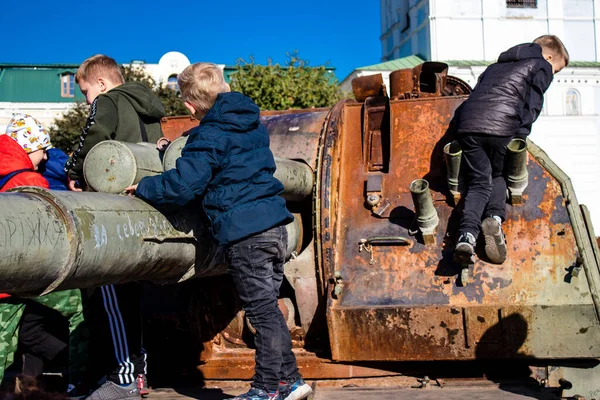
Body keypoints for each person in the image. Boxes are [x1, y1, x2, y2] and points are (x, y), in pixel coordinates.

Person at [126, 63, 312, 400]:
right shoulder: (250, 123)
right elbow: (227, 153)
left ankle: (269, 388)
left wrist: (144, 187)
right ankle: (291, 381)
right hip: (274, 227)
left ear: (190, 107)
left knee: (262, 311)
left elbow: (184, 186)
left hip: (246, 234)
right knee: (267, 307)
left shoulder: (209, 135)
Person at [64, 54, 164, 399]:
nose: (87, 100)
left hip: (111, 210)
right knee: (132, 297)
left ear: (102, 84)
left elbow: (94, 136)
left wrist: (74, 171)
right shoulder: (148, 109)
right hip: (142, 205)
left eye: (86, 92)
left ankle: (121, 377)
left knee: (109, 296)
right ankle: (138, 374)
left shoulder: (107, 101)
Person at [453, 35, 569, 265]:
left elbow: (476, 95)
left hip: (467, 126)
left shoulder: (495, 66)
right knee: (498, 176)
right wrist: (520, 136)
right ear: (548, 57)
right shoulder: (541, 65)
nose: (553, 74)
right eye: (556, 70)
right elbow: (533, 103)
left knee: (478, 182)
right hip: (501, 127)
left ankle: (466, 236)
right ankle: (494, 219)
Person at [0, 114, 87, 395]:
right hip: (25, 276)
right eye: (41, 150)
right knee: (79, 308)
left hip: (6, 277)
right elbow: (47, 233)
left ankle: (25, 383)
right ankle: (81, 377)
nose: (45, 157)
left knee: (6, 340)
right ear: (29, 147)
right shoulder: (29, 180)